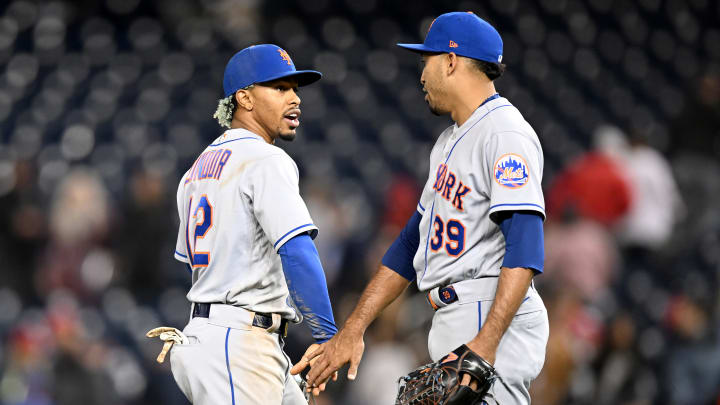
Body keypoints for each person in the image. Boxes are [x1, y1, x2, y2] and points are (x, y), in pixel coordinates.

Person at [293, 12, 549, 404]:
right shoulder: (449, 141)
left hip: (488, 311)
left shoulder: (505, 133)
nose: (421, 75)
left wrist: (487, 341)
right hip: (456, 313)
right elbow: (410, 242)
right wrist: (354, 329)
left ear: (450, 60)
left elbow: (526, 245)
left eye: (426, 61)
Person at [158, 44, 337, 405]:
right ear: (245, 98)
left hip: (216, 335)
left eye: (295, 90)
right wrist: (327, 335)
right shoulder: (265, 159)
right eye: (280, 88)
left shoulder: (195, 170)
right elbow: (297, 250)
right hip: (236, 343)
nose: (295, 100)